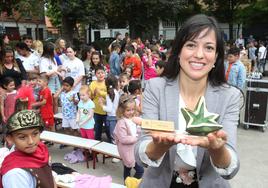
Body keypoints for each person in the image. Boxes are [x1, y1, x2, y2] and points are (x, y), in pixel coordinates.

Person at [135, 14, 241, 188]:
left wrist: (217, 149)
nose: (199, 55)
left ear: (216, 57)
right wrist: (159, 146)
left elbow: (231, 168)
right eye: (191, 45)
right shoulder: (155, 87)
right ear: (178, 52)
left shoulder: (229, 96)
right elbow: (141, 156)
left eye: (208, 48)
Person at [0, 110, 55, 188]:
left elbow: (50, 178)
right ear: (10, 139)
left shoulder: (41, 150)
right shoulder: (15, 174)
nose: (31, 142)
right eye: (22, 137)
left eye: (35, 134)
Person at [114, 94, 144, 180]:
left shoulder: (133, 118)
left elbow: (136, 130)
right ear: (122, 110)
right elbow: (123, 139)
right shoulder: (121, 123)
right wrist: (136, 138)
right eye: (128, 110)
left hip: (133, 149)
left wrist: (140, 130)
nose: (131, 112)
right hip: (126, 150)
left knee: (127, 168)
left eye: (133, 109)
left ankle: (127, 183)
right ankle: (130, 184)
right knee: (140, 170)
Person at [89, 65, 110, 142]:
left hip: (106, 110)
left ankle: (110, 142)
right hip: (96, 110)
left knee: (108, 128)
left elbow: (110, 94)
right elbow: (90, 97)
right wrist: (94, 94)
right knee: (97, 128)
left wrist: (100, 92)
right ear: (95, 75)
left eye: (102, 73)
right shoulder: (93, 84)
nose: (100, 74)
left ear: (105, 73)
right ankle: (96, 144)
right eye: (98, 73)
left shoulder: (107, 82)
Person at [99, 74, 120, 144]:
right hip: (115, 116)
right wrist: (105, 102)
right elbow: (114, 104)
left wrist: (101, 105)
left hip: (111, 118)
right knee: (115, 135)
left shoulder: (109, 94)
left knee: (113, 137)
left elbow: (109, 109)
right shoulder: (116, 92)